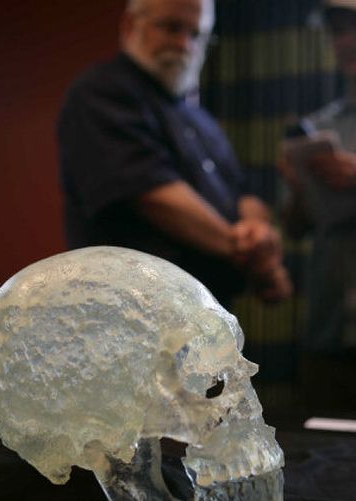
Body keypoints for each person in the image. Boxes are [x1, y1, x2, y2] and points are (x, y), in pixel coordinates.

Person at [58, 0, 292, 308]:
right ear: (131, 25)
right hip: (132, 316)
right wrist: (246, 252)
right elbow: (153, 195)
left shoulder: (200, 119)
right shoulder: (103, 92)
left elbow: (242, 195)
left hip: (206, 316)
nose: (184, 44)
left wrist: (260, 237)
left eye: (197, 35)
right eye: (171, 28)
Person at [278, 0, 356, 408]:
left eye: (353, 27)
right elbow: (293, 229)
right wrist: (297, 187)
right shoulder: (319, 127)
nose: (345, 41)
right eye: (337, 31)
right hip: (326, 329)